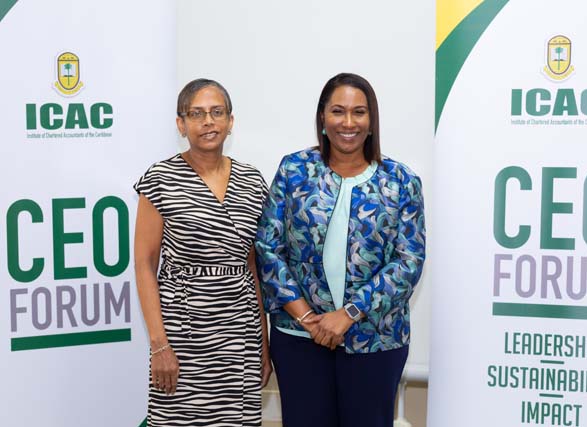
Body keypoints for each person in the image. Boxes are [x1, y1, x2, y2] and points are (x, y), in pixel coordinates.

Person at [255, 72, 426, 427]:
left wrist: (348, 314)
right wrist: (307, 318)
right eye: (338, 111)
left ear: (371, 121)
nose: (348, 122)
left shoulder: (401, 181)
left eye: (359, 112)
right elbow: (268, 247)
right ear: (322, 117)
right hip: (299, 338)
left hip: (376, 341)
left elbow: (408, 262)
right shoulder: (294, 170)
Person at [133, 78, 271, 427]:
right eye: (196, 114)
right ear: (181, 124)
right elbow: (145, 264)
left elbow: (253, 268)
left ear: (230, 121)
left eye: (216, 112)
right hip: (182, 335)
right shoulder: (160, 178)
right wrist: (159, 345)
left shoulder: (253, 181)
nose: (208, 121)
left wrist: (263, 343)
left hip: (239, 334)